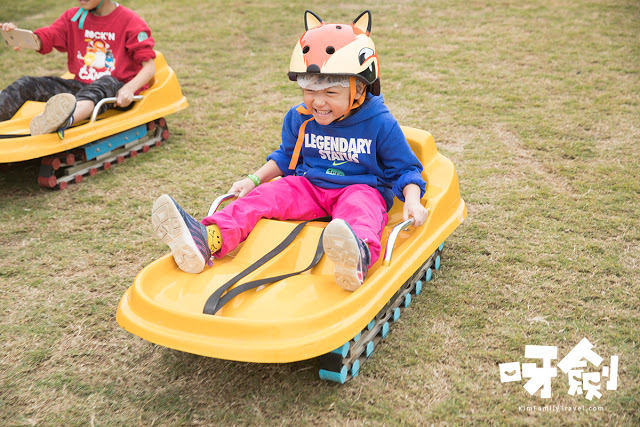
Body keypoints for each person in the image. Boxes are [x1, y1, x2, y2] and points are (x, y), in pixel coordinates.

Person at [152, 10, 429, 292]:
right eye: (310, 91)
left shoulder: (380, 124)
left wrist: (412, 200)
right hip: (310, 187)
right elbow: (286, 156)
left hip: (359, 188)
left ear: (359, 89)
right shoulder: (300, 118)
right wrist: (254, 179)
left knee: (359, 209)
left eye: (330, 93)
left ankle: (357, 255)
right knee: (266, 195)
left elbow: (406, 169)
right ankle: (208, 238)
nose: (317, 102)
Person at [0, 0, 156, 138]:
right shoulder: (73, 17)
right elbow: (50, 35)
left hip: (116, 91)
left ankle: (63, 121)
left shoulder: (130, 21)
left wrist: (129, 89)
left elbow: (149, 68)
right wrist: (21, 37)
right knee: (27, 83)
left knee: (106, 81)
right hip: (82, 87)